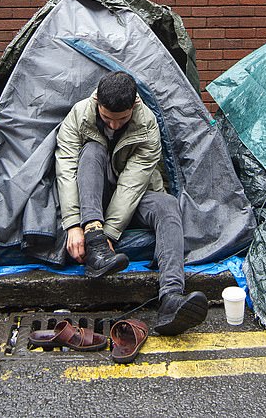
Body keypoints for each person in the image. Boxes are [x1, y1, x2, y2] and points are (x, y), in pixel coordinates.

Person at [55, 71, 208, 336]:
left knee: (167, 205)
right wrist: (74, 225)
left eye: (122, 119)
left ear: (134, 105)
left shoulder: (147, 124)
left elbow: (131, 184)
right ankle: (94, 241)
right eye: (107, 118)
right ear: (96, 102)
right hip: (93, 197)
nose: (114, 126)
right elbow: (67, 169)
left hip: (134, 197)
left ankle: (171, 297)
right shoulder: (79, 114)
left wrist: (110, 233)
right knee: (92, 151)